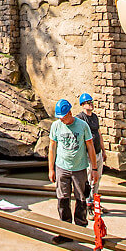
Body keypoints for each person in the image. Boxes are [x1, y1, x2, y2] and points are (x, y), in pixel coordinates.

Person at [48, 98, 99, 239]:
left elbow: (90, 147)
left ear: (69, 113)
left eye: (63, 117)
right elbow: (52, 147)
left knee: (81, 198)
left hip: (79, 168)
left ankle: (81, 229)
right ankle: (65, 230)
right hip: (61, 167)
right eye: (59, 117)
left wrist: (94, 169)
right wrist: (51, 169)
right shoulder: (56, 126)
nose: (61, 120)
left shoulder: (82, 126)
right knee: (63, 199)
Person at [77, 93, 105, 217]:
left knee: (97, 179)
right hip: (88, 155)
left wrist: (103, 150)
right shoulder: (80, 119)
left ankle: (95, 201)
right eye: (88, 102)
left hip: (97, 152)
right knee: (89, 179)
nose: (91, 104)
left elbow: (99, 133)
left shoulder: (95, 118)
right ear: (83, 105)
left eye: (91, 102)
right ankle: (87, 204)